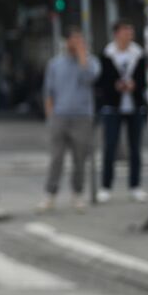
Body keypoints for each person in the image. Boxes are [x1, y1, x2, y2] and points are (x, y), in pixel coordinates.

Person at [40, 27, 101, 212]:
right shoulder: (55, 64)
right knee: (56, 158)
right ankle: (50, 195)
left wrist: (83, 56)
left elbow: (90, 78)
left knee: (80, 158)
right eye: (73, 39)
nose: (76, 43)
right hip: (60, 115)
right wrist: (50, 116)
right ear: (66, 42)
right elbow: (48, 91)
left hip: (82, 116)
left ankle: (77, 194)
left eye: (79, 39)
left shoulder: (92, 62)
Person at [96, 21, 148, 202]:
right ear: (117, 33)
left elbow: (145, 78)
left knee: (135, 148)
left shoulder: (138, 54)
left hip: (135, 106)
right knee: (110, 147)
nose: (129, 34)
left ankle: (135, 185)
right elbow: (101, 82)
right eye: (126, 31)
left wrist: (135, 85)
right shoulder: (107, 54)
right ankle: (106, 186)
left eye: (131, 31)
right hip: (112, 106)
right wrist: (115, 86)